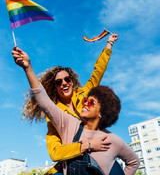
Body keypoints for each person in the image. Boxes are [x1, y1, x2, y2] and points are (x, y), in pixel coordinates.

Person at [11, 49, 140, 175]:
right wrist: (85, 146)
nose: (64, 83)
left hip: (100, 155)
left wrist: (109, 46)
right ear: (54, 88)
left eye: (67, 79)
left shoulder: (85, 94)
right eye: (58, 82)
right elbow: (55, 152)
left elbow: (98, 72)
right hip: (75, 161)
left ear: (72, 81)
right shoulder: (58, 117)